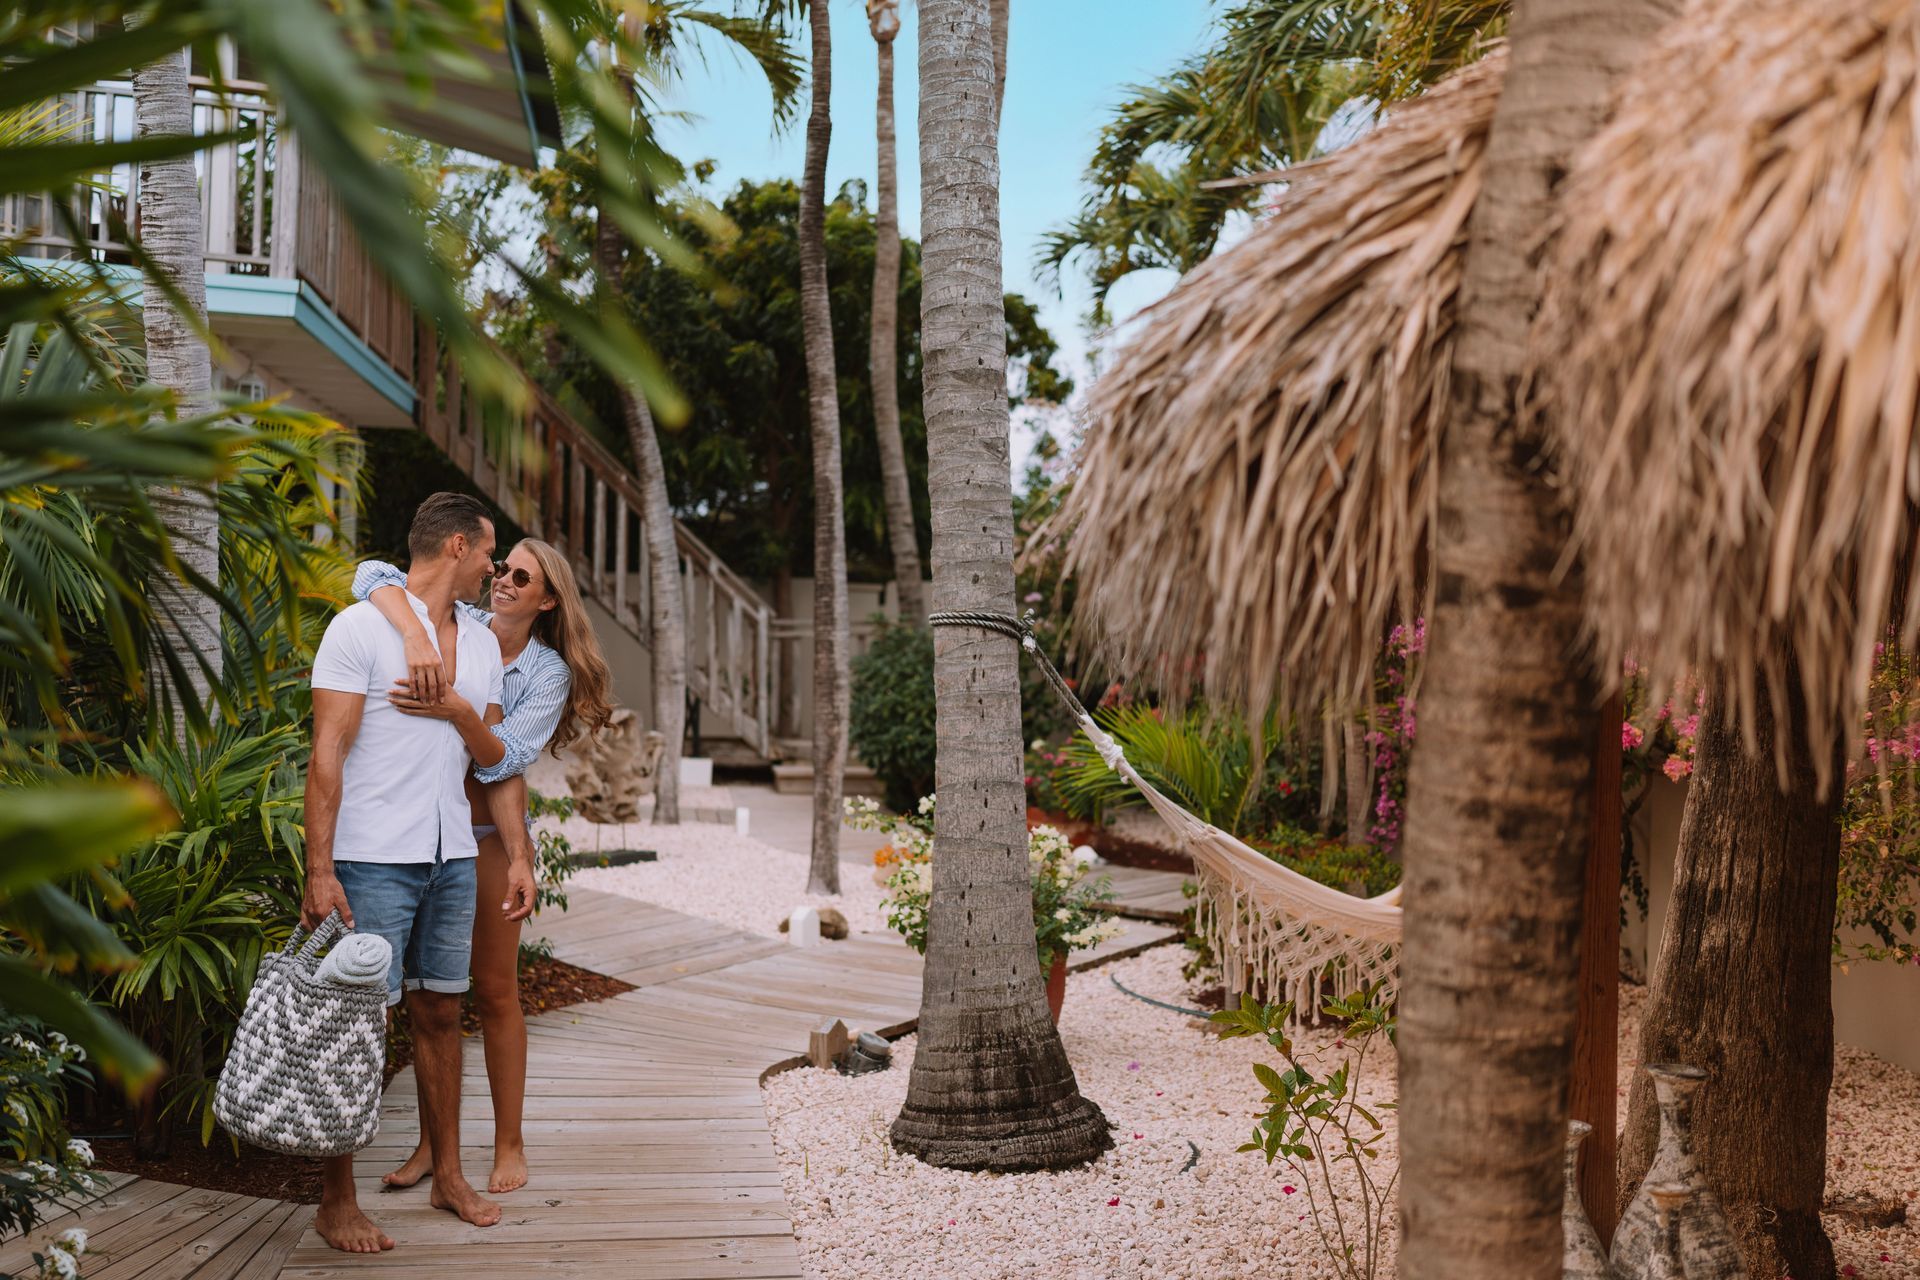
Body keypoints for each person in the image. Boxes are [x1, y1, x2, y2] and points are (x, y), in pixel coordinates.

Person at [302, 492, 537, 1254]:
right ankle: (335, 1199)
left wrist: (519, 853)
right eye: (490, 554)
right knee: (354, 1022)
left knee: (441, 1014)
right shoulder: (359, 629)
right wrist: (319, 868)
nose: (495, 571)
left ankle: (449, 1176)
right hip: (371, 858)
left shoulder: (477, 643)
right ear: (458, 548)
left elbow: (496, 759)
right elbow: (326, 757)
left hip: (452, 859)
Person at [350, 535, 613, 1196]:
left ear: (547, 599)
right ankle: (432, 1148)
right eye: (501, 568)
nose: (503, 581)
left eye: (521, 578)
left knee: (495, 991)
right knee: (426, 995)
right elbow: (370, 574)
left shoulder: (545, 672)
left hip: (485, 838)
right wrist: (413, 632)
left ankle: (509, 1142)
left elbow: (502, 760)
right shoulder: (456, 624)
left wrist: (459, 712)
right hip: (416, 835)